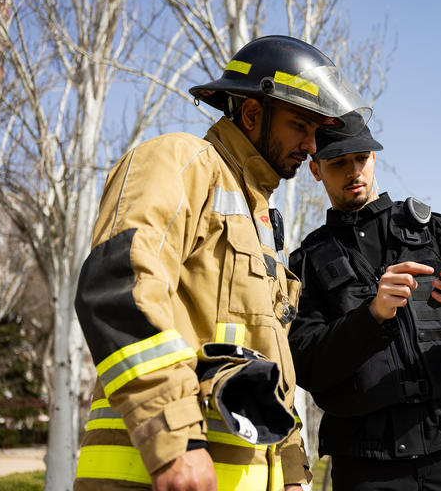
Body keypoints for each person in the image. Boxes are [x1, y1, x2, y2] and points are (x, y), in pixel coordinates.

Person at [73, 35, 371, 491]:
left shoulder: (262, 222)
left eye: (316, 131)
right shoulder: (179, 162)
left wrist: (292, 471)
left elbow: (270, 359)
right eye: (301, 126)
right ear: (252, 114)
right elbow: (118, 290)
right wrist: (175, 443)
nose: (313, 145)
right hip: (157, 474)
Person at [288, 127, 441, 490]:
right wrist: (372, 316)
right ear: (315, 170)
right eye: (338, 162)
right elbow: (306, 368)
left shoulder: (438, 233)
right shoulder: (307, 262)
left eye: (361, 158)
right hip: (365, 465)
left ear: (374, 158)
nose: (353, 171)